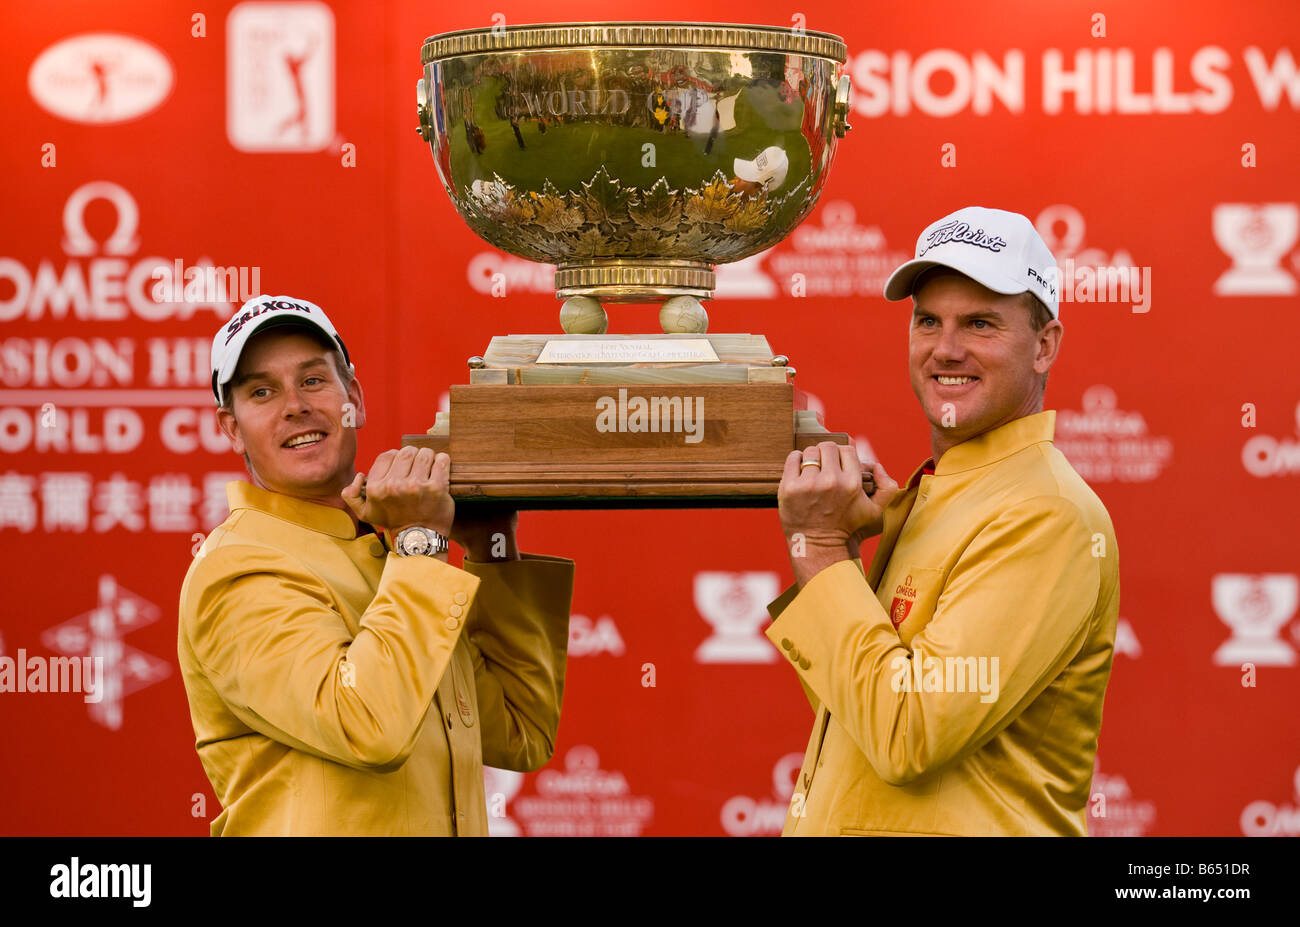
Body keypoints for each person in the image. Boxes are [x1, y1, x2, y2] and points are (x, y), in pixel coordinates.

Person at [768, 206, 1119, 836]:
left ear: (1045, 347)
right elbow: (853, 718)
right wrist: (837, 553)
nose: (946, 349)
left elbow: (908, 735)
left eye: (979, 323)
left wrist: (820, 546)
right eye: (928, 321)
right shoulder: (936, 493)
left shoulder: (1046, 514)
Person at [178, 294, 574, 836]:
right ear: (230, 427)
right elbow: (367, 725)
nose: (295, 405)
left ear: (355, 400)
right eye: (262, 391)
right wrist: (419, 538)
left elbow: (518, 730)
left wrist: (491, 548)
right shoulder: (239, 567)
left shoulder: (386, 554)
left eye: (314, 380)